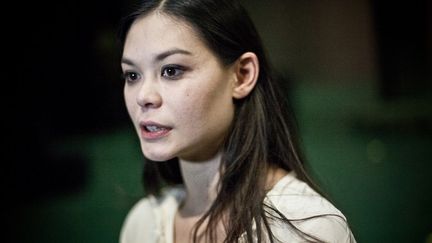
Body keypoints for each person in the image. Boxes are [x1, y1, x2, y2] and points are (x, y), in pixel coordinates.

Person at [117, 0, 356, 242]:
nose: (143, 96)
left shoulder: (307, 226)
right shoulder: (141, 224)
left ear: (242, 75)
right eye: (132, 75)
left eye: (171, 70)